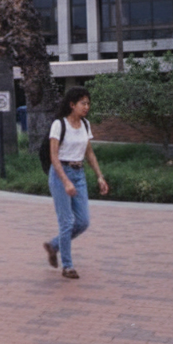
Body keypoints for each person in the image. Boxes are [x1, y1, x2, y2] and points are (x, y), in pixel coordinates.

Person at [43, 86, 108, 279]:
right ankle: (68, 266)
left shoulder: (86, 125)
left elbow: (89, 153)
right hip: (60, 173)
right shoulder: (59, 125)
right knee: (67, 221)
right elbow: (53, 156)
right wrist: (65, 181)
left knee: (83, 221)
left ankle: (54, 246)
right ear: (72, 105)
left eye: (88, 103)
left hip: (79, 174)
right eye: (83, 103)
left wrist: (99, 176)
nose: (86, 107)